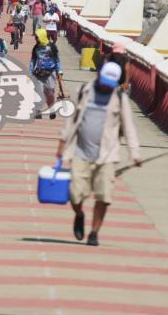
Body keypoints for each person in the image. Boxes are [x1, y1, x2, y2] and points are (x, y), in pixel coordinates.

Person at [56, 62, 142, 246]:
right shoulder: (84, 91)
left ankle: (94, 232)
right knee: (75, 194)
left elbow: (128, 127)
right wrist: (62, 143)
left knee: (104, 196)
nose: (105, 86)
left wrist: (135, 153)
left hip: (107, 155)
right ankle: (79, 214)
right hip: (80, 152)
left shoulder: (119, 98)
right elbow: (71, 120)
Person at [30, 29, 63, 119]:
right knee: (38, 92)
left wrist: (59, 72)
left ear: (42, 37)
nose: (36, 39)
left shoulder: (52, 47)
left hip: (50, 73)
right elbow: (33, 61)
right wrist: (30, 72)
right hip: (39, 73)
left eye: (37, 37)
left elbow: (57, 60)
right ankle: (38, 111)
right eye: (36, 37)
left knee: (50, 93)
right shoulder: (36, 48)